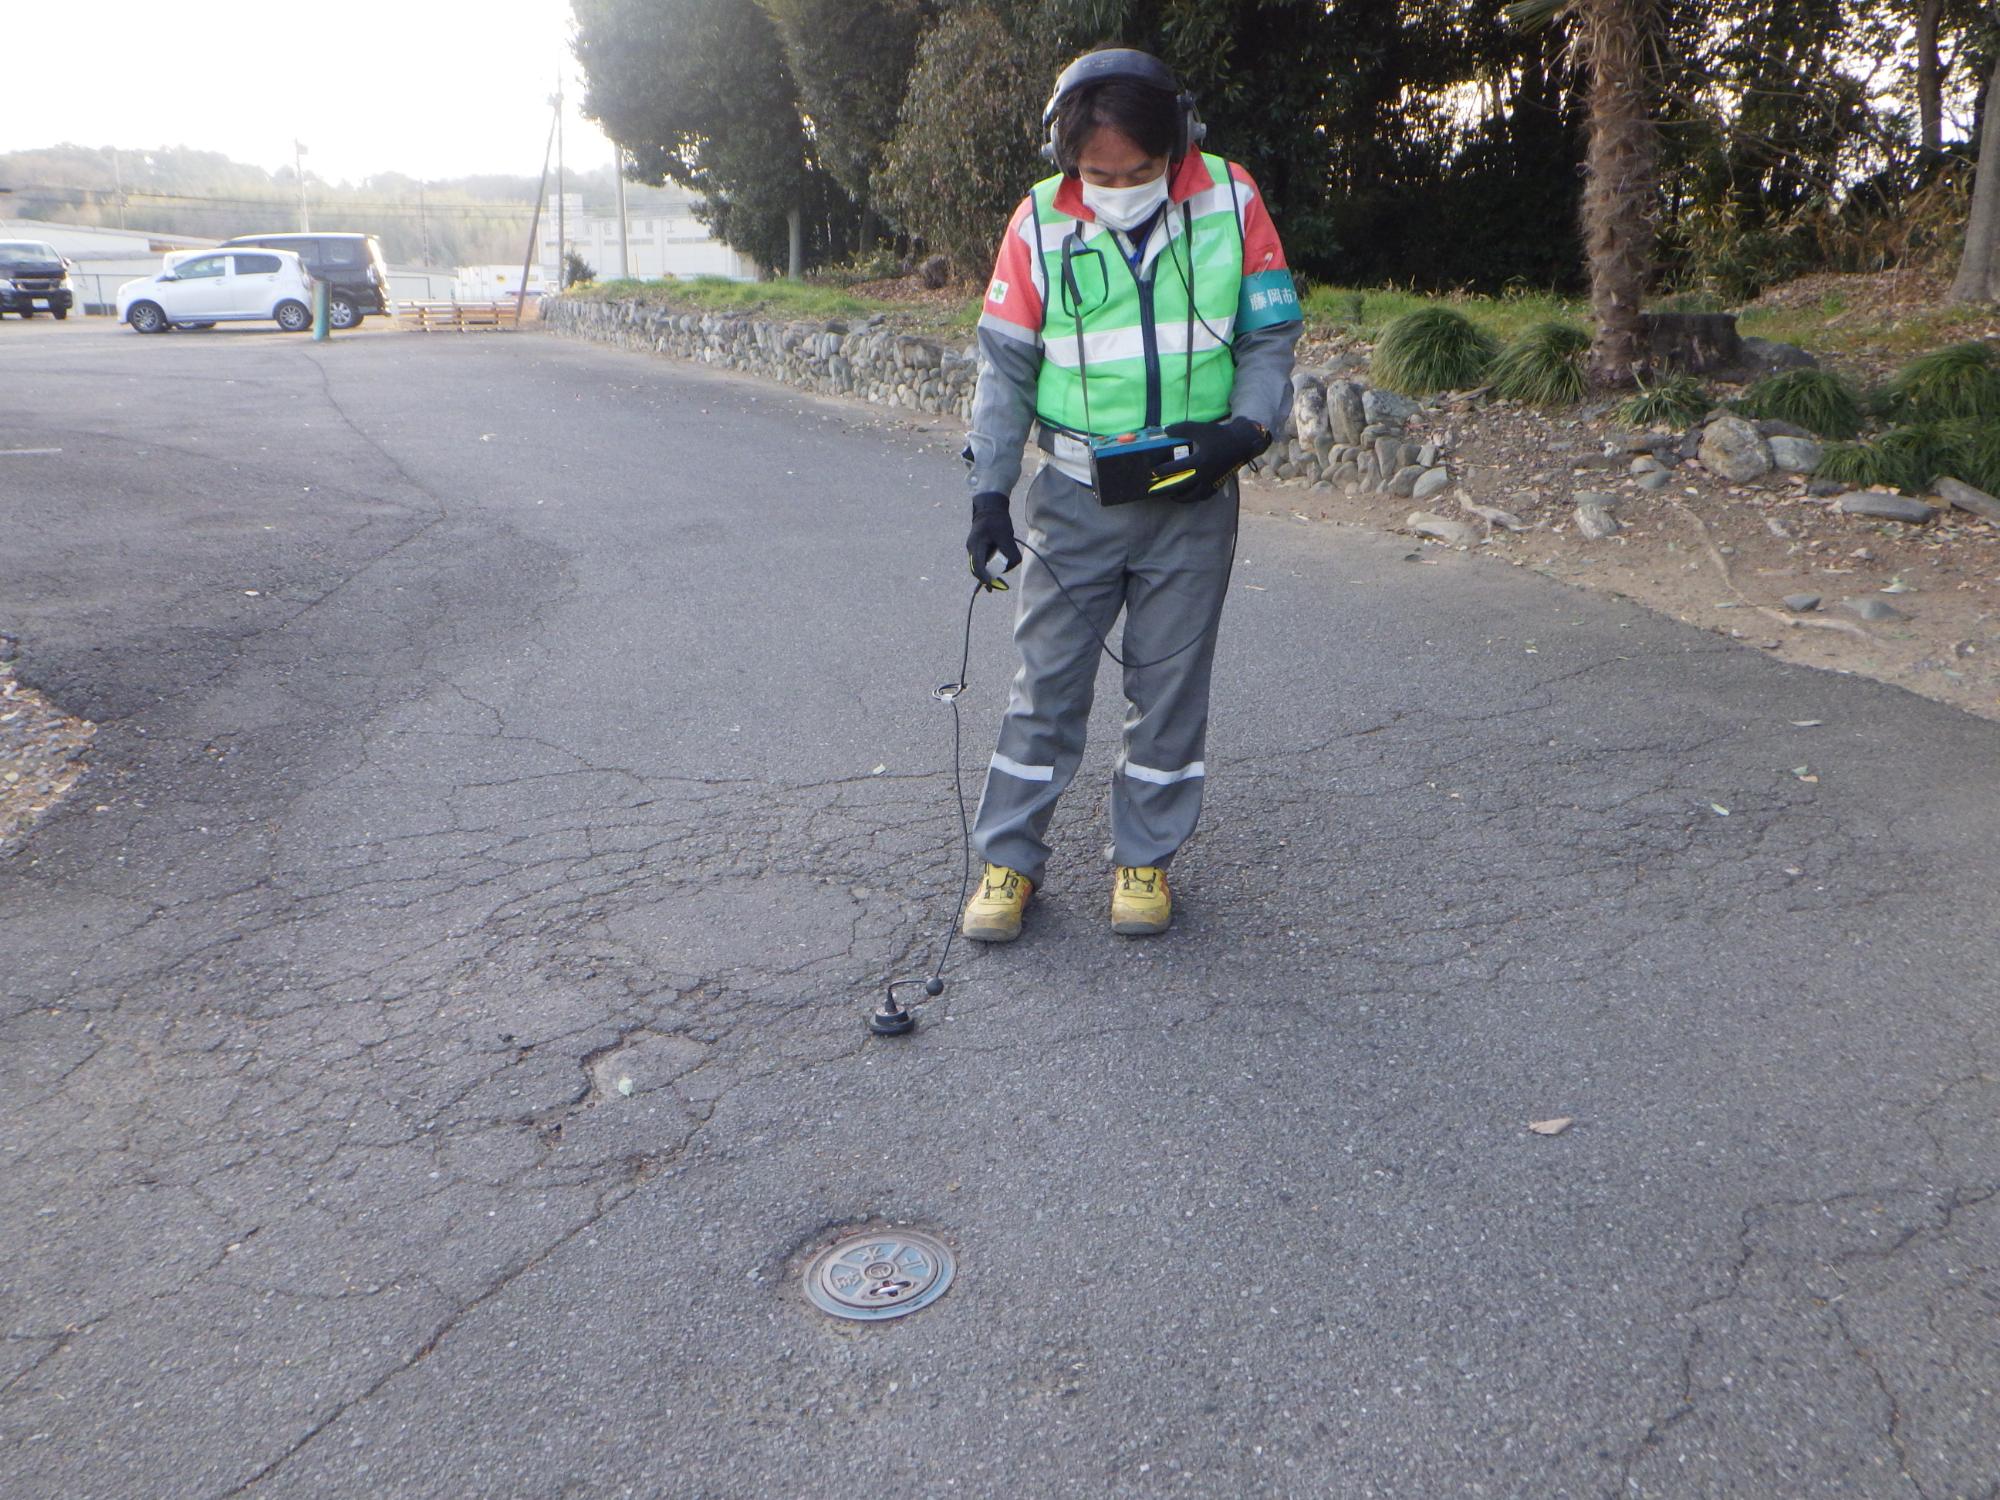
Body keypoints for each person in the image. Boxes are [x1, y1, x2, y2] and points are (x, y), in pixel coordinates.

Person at [957, 46, 1302, 943]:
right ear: (1064, 153)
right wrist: (990, 492)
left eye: (1139, 171)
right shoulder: (1038, 220)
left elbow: (1269, 335)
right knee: (1046, 685)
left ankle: (1144, 860)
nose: (1117, 189)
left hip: (1196, 495)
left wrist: (1247, 429)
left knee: (1170, 687)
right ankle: (1008, 860)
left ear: (1179, 143)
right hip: (1074, 496)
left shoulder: (1232, 198)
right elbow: (1005, 370)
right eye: (1097, 174)